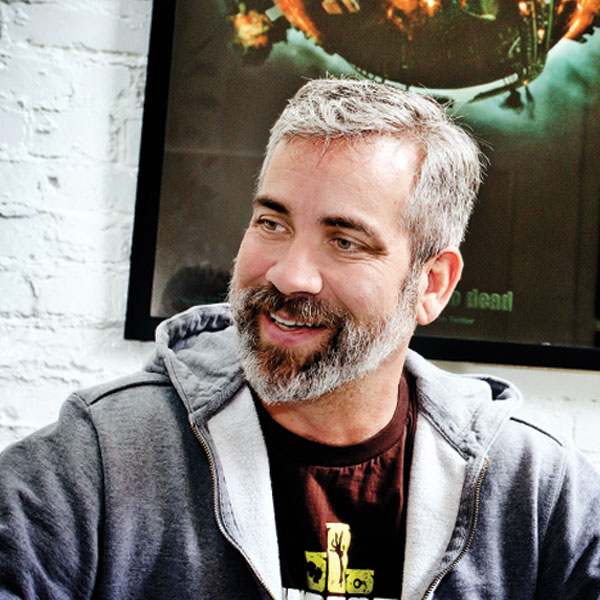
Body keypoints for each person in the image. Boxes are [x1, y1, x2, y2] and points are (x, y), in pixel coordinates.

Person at [0, 78, 599, 600]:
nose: (288, 274)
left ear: (432, 284)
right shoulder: (100, 461)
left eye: (345, 241)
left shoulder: (541, 498)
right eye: (272, 223)